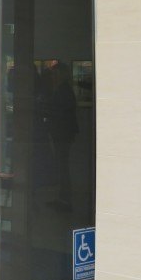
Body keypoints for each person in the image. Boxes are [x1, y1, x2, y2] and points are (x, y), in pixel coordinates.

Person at [46, 62, 78, 210]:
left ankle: (65, 200)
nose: (53, 76)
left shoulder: (63, 91)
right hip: (62, 133)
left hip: (63, 134)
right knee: (61, 165)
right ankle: (62, 198)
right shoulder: (62, 89)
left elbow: (61, 115)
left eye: (55, 73)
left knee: (62, 166)